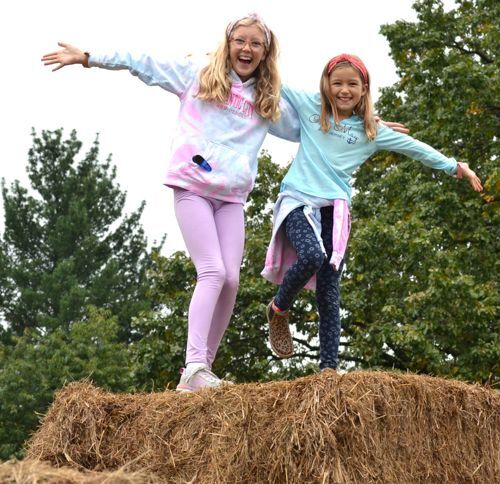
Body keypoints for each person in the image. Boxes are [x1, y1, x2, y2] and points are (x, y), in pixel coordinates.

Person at [42, 13, 304, 392]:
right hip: (193, 187)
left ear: (266, 52)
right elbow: (143, 63)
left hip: (230, 199)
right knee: (212, 271)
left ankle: (200, 372)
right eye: (240, 41)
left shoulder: (265, 102)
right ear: (228, 43)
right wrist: (88, 56)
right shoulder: (197, 77)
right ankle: (194, 363)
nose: (246, 49)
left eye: (255, 44)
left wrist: (365, 126)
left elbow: (311, 129)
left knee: (231, 279)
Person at [261, 53, 483, 372]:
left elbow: (415, 148)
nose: (344, 90)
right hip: (297, 201)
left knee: (329, 287)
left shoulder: (371, 131)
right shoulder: (312, 107)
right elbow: (272, 80)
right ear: (326, 85)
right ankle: (279, 308)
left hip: (334, 210)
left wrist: (454, 166)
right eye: (337, 83)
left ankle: (328, 368)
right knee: (311, 256)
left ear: (364, 89)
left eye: (352, 84)